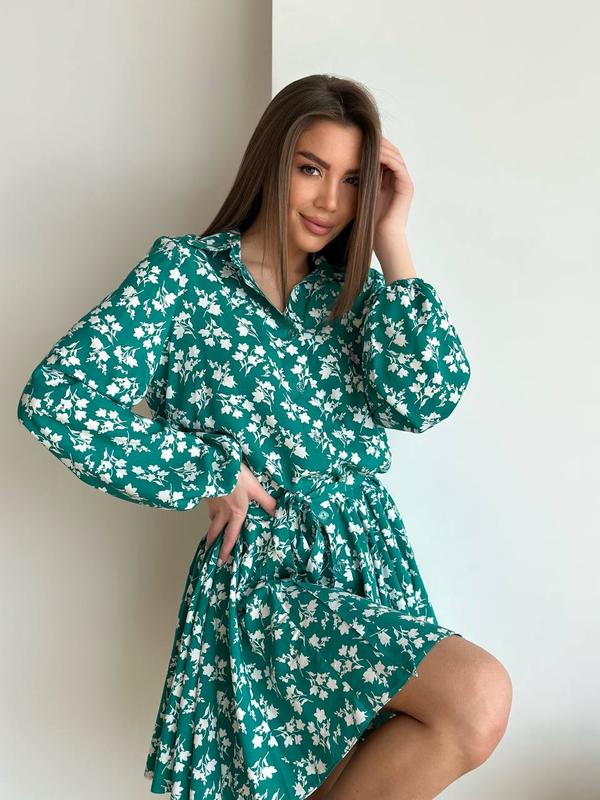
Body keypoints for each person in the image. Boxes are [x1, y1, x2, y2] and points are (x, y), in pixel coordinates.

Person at [16, 74, 512, 800]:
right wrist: (205, 470)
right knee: (476, 696)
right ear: (272, 163)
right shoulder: (184, 277)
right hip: (267, 579)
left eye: (352, 181)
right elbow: (59, 399)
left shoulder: (357, 296)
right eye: (311, 169)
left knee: (395, 756)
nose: (329, 201)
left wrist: (392, 239)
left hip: (370, 564)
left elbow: (426, 398)